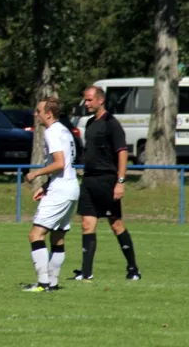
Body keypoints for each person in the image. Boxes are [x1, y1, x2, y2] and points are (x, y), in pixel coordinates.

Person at [71, 86, 141, 281]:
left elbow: (122, 152)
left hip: (107, 181)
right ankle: (86, 272)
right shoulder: (91, 123)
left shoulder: (112, 124)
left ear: (100, 100)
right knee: (87, 224)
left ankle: (133, 268)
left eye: (89, 100)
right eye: (85, 100)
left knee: (116, 224)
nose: (86, 103)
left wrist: (120, 181)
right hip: (89, 180)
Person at [22, 97, 80, 292]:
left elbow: (59, 163)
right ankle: (52, 283)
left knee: (35, 234)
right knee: (57, 237)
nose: (35, 114)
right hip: (70, 187)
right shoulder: (65, 130)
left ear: (48, 113)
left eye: (38, 111)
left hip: (61, 189)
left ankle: (43, 283)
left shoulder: (52, 132)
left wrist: (35, 173)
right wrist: (46, 186)